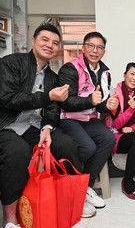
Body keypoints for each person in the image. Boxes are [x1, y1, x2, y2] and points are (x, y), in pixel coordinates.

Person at [0, 23, 82, 228]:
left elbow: (53, 109)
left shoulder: (53, 77)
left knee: (67, 145)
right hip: (8, 125)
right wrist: (47, 96)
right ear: (33, 41)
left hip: (35, 127)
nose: (50, 45)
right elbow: (9, 99)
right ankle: (10, 218)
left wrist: (47, 128)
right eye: (45, 40)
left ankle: (69, 202)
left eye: (55, 43)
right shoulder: (11, 63)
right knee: (17, 153)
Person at [58, 32, 117, 214]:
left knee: (108, 139)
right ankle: (74, 185)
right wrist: (90, 101)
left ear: (104, 51)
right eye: (90, 46)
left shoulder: (105, 73)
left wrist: (107, 105)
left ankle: (86, 186)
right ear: (83, 47)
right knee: (88, 147)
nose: (94, 50)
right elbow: (65, 102)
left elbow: (99, 106)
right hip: (69, 118)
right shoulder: (69, 69)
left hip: (89, 119)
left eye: (99, 47)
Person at [105, 62, 135, 200]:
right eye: (132, 74)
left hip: (128, 134)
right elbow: (117, 123)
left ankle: (129, 179)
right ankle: (128, 183)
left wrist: (132, 128)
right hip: (114, 136)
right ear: (125, 75)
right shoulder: (115, 93)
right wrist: (130, 110)